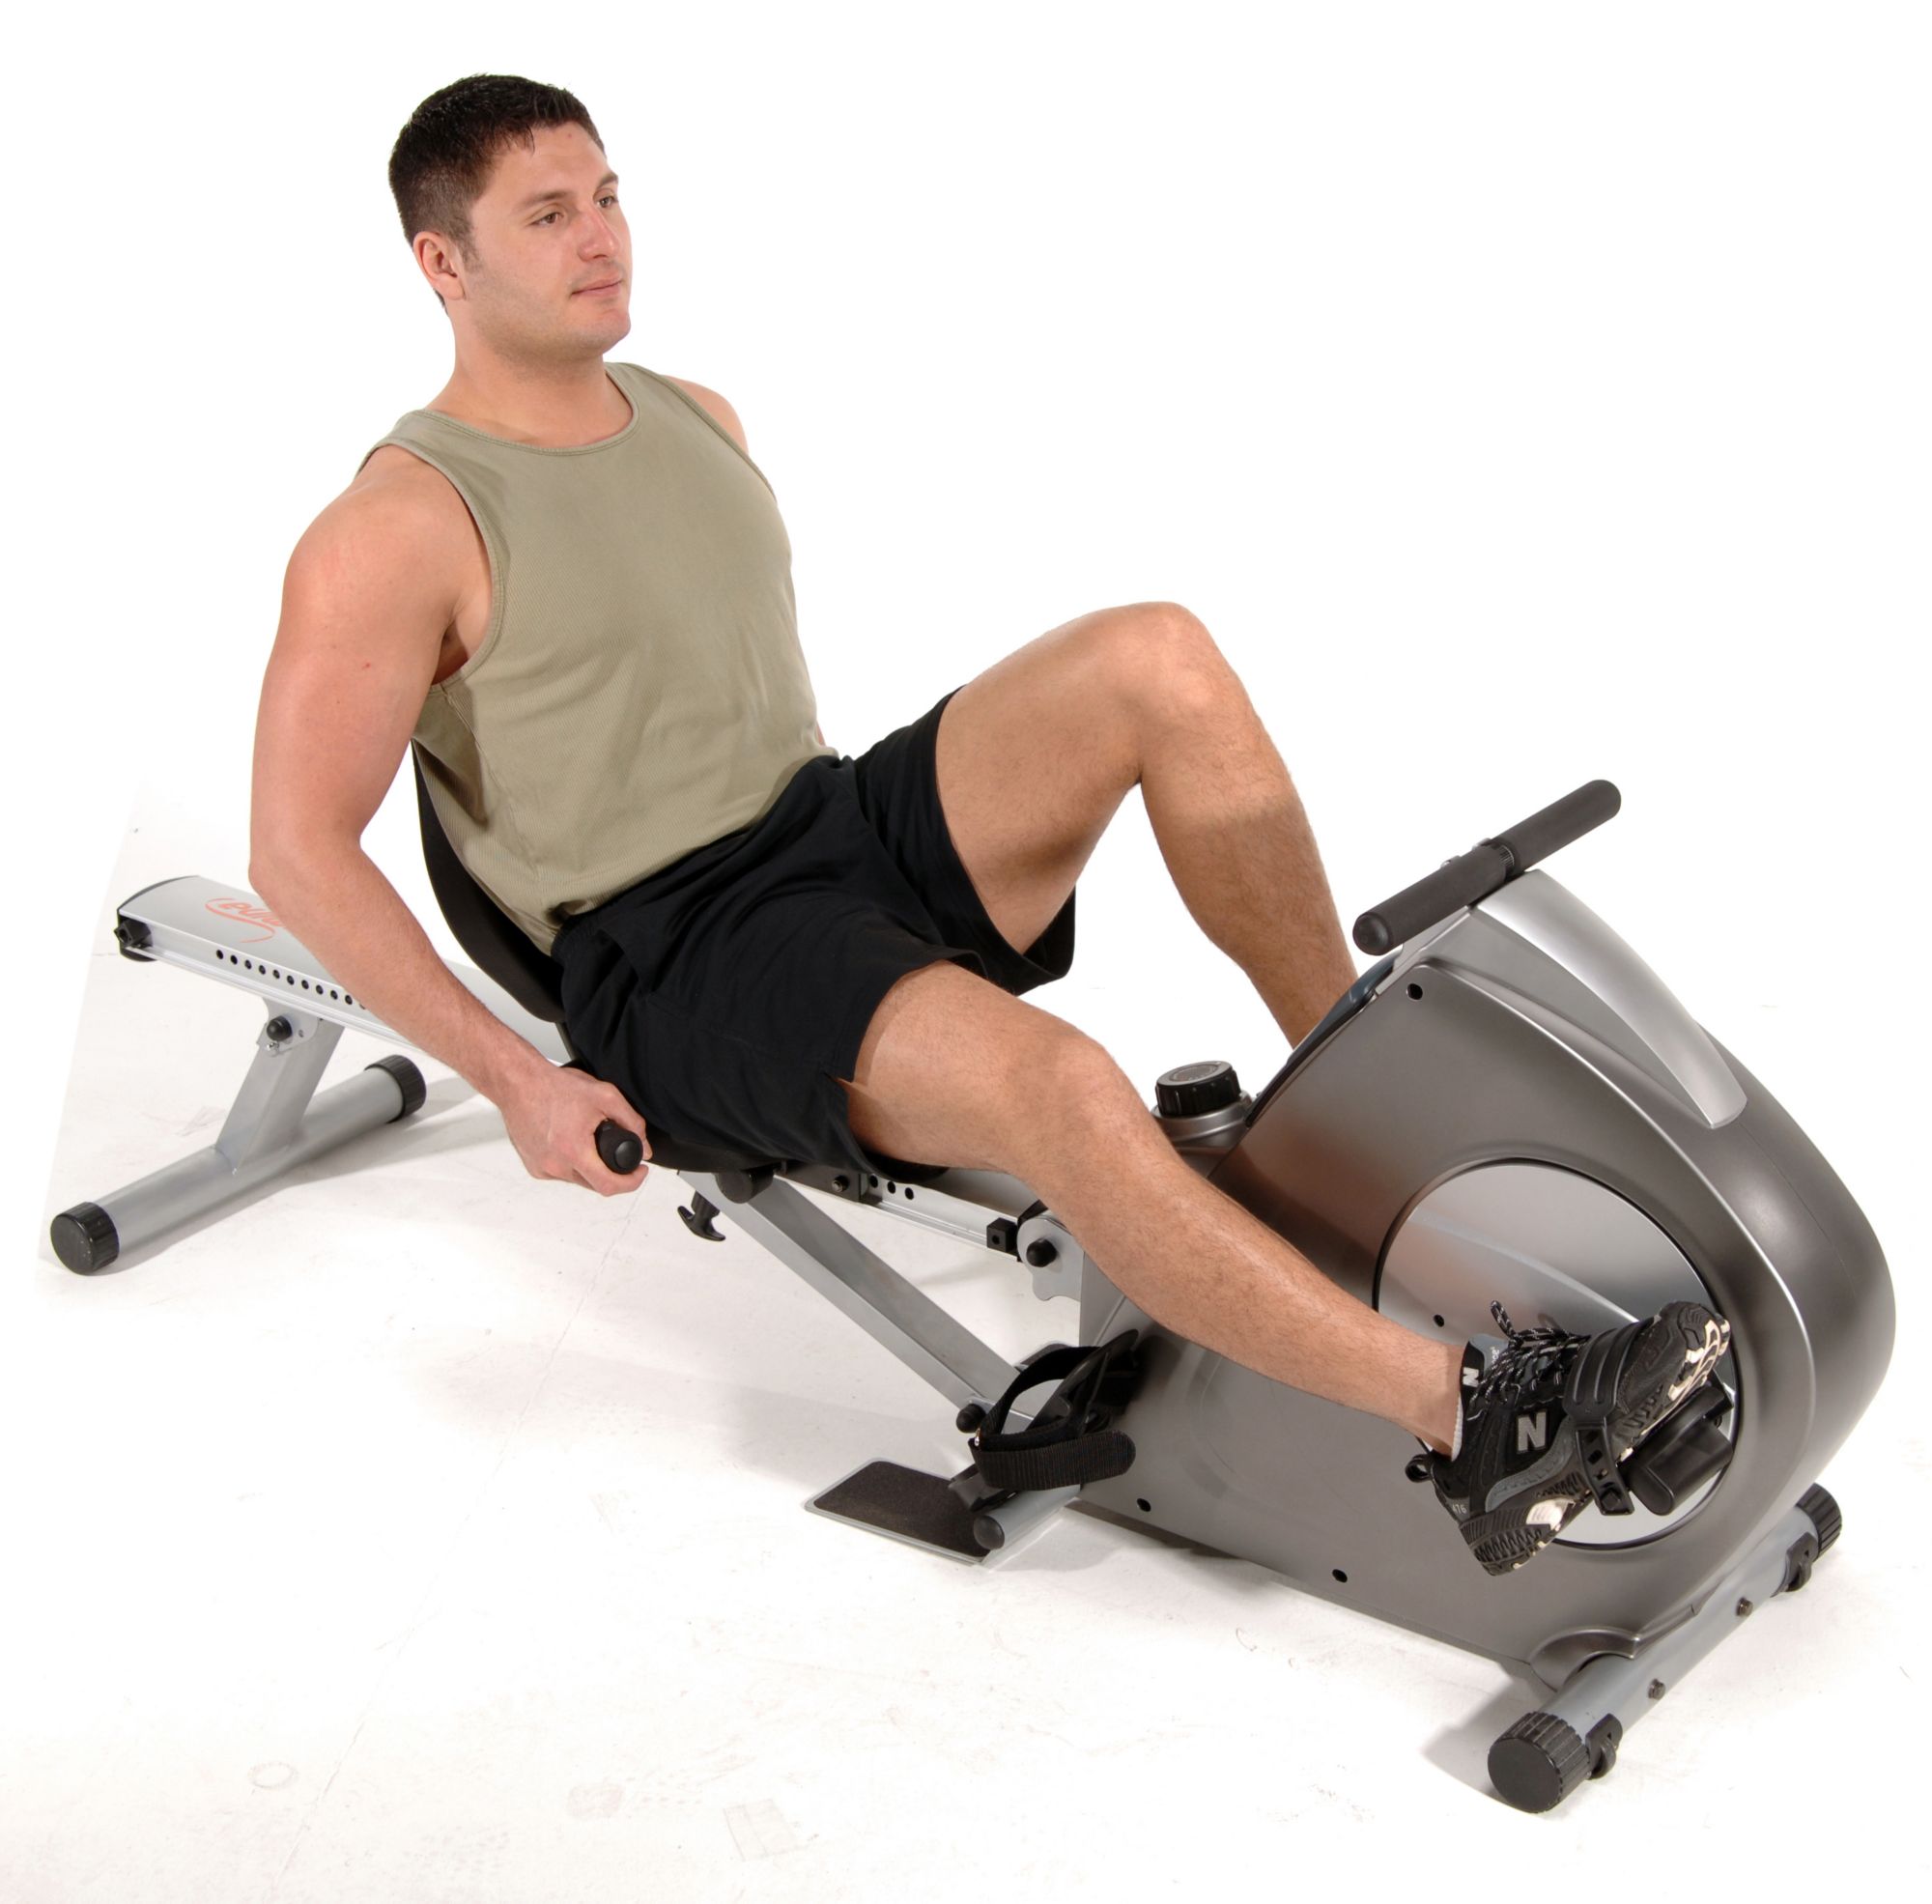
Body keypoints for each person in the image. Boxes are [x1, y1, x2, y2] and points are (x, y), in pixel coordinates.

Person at [247, 73, 1729, 1576]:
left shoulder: (696, 415)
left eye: (610, 196)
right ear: (444, 261)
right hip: (686, 958)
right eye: (548, 215)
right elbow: (295, 849)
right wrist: (515, 1081)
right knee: (1065, 1089)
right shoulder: (397, 526)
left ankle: (1362, 1125)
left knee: (1156, 654)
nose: (601, 237)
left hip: (828, 828)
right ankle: (1476, 1423)